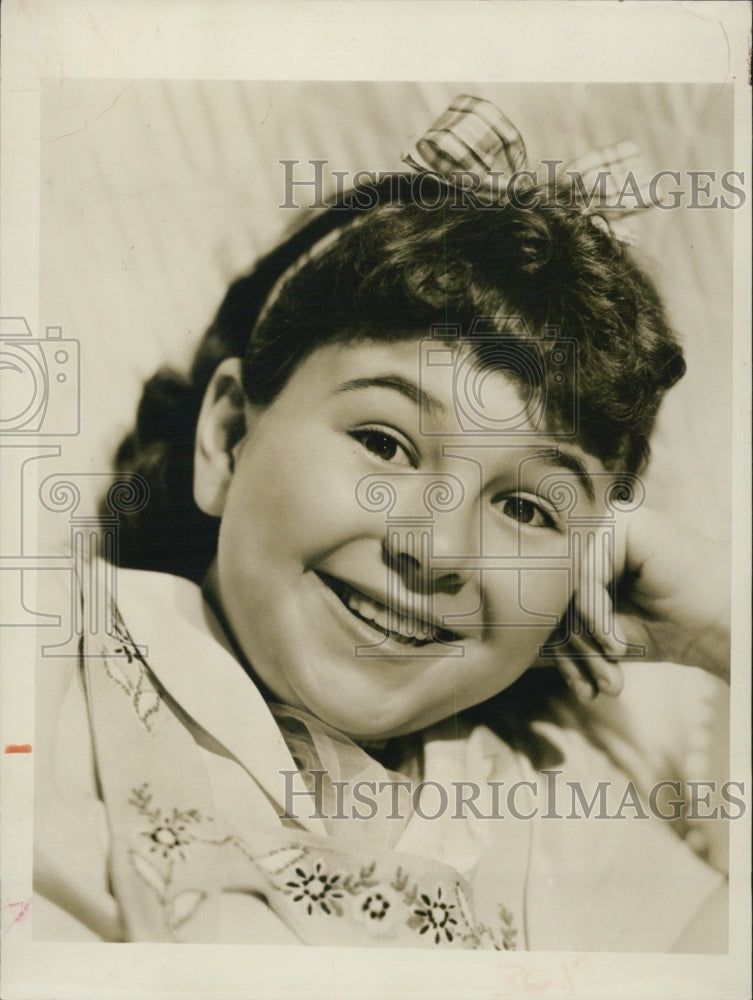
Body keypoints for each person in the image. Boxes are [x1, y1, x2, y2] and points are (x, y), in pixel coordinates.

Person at [34, 97, 730, 950]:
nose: (434, 546)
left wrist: (725, 627)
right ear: (226, 437)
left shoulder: (552, 813)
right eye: (383, 443)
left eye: (525, 507)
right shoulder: (57, 660)